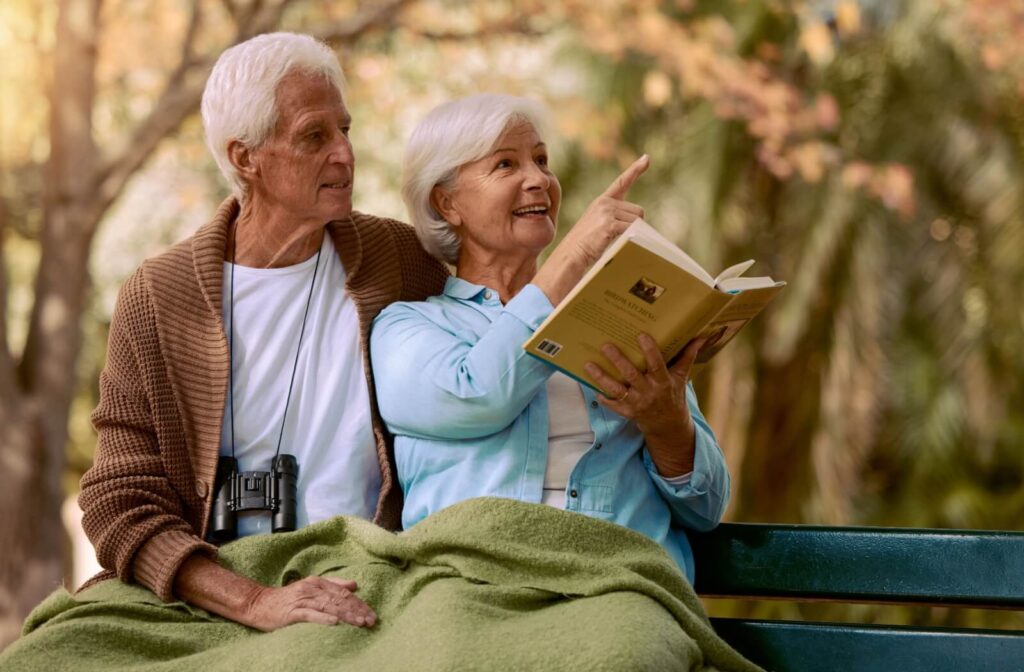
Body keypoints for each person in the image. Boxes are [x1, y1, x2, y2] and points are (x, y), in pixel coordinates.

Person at [76, 33, 448, 630]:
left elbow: (490, 325)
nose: (345, 155)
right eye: (314, 136)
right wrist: (252, 601)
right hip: (216, 587)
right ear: (245, 157)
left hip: (367, 571)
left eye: (345, 130)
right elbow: (118, 500)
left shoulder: (396, 258)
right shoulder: (156, 296)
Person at [370, 94, 731, 582]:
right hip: (472, 584)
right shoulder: (408, 328)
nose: (539, 178)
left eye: (542, 160)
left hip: (618, 582)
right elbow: (481, 393)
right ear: (446, 202)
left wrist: (666, 423)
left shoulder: (622, 315)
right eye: (505, 164)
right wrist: (577, 252)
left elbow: (707, 510)